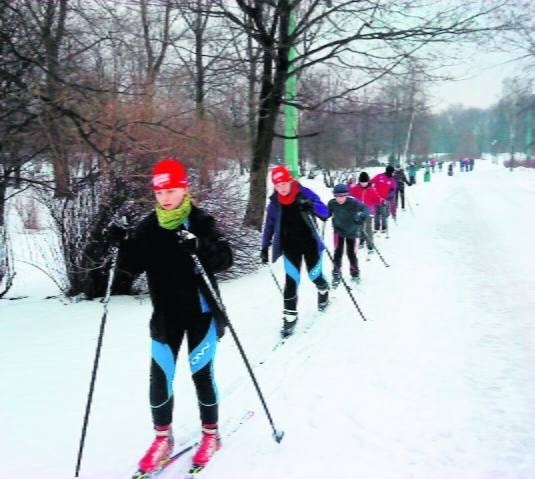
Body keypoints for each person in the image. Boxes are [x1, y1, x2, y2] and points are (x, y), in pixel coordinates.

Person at [110, 158, 233, 476]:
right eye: (160, 191)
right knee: (160, 375)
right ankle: (162, 438)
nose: (165, 197)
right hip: (166, 315)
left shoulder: (201, 221)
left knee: (200, 373)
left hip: (201, 313)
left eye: (172, 190)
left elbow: (225, 259)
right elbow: (128, 269)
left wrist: (200, 246)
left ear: (184, 189)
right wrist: (120, 244)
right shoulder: (148, 227)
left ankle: (211, 434)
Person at [261, 164, 330, 338]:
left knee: (315, 276)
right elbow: (269, 226)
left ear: (290, 180)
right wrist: (264, 246)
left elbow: (326, 213)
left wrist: (310, 206)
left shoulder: (305, 193)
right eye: (277, 186)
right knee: (291, 281)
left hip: (310, 244)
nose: (281, 188)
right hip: (290, 247)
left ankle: (323, 289)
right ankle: (290, 317)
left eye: (284, 183)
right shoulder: (275, 203)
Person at [327, 183, 369, 285]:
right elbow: (326, 213)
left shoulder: (353, 202)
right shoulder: (332, 203)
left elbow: (365, 209)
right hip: (338, 231)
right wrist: (320, 213)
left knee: (351, 253)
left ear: (346, 195)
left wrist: (362, 216)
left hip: (352, 231)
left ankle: (354, 272)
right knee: (338, 253)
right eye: (337, 196)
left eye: (342, 196)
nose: (340, 199)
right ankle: (336, 273)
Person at [349, 171, 381, 256]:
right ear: (359, 181)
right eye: (362, 182)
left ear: (368, 181)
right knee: (359, 229)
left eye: (365, 182)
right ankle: (362, 240)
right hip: (358, 212)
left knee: (368, 229)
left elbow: (377, 199)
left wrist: (381, 201)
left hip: (369, 212)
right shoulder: (355, 188)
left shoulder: (372, 189)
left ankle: (370, 246)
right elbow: (348, 193)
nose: (363, 184)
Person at [371, 165, 397, 233]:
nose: (393, 173)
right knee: (376, 214)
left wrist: (389, 196)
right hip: (376, 198)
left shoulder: (392, 180)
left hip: (384, 200)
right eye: (392, 172)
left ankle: (384, 227)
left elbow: (393, 190)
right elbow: (371, 181)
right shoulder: (379, 176)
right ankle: (376, 227)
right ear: (389, 171)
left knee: (383, 214)